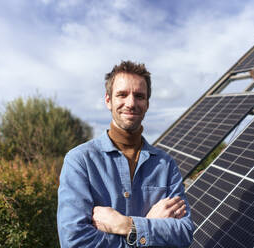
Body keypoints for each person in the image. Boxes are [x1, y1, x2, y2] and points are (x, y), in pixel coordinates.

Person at [57, 61, 195, 247]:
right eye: (122, 95)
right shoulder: (80, 161)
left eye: (139, 96)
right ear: (108, 100)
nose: (131, 103)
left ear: (147, 104)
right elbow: (75, 241)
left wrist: (126, 225)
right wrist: (149, 227)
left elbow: (184, 234)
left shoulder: (166, 165)